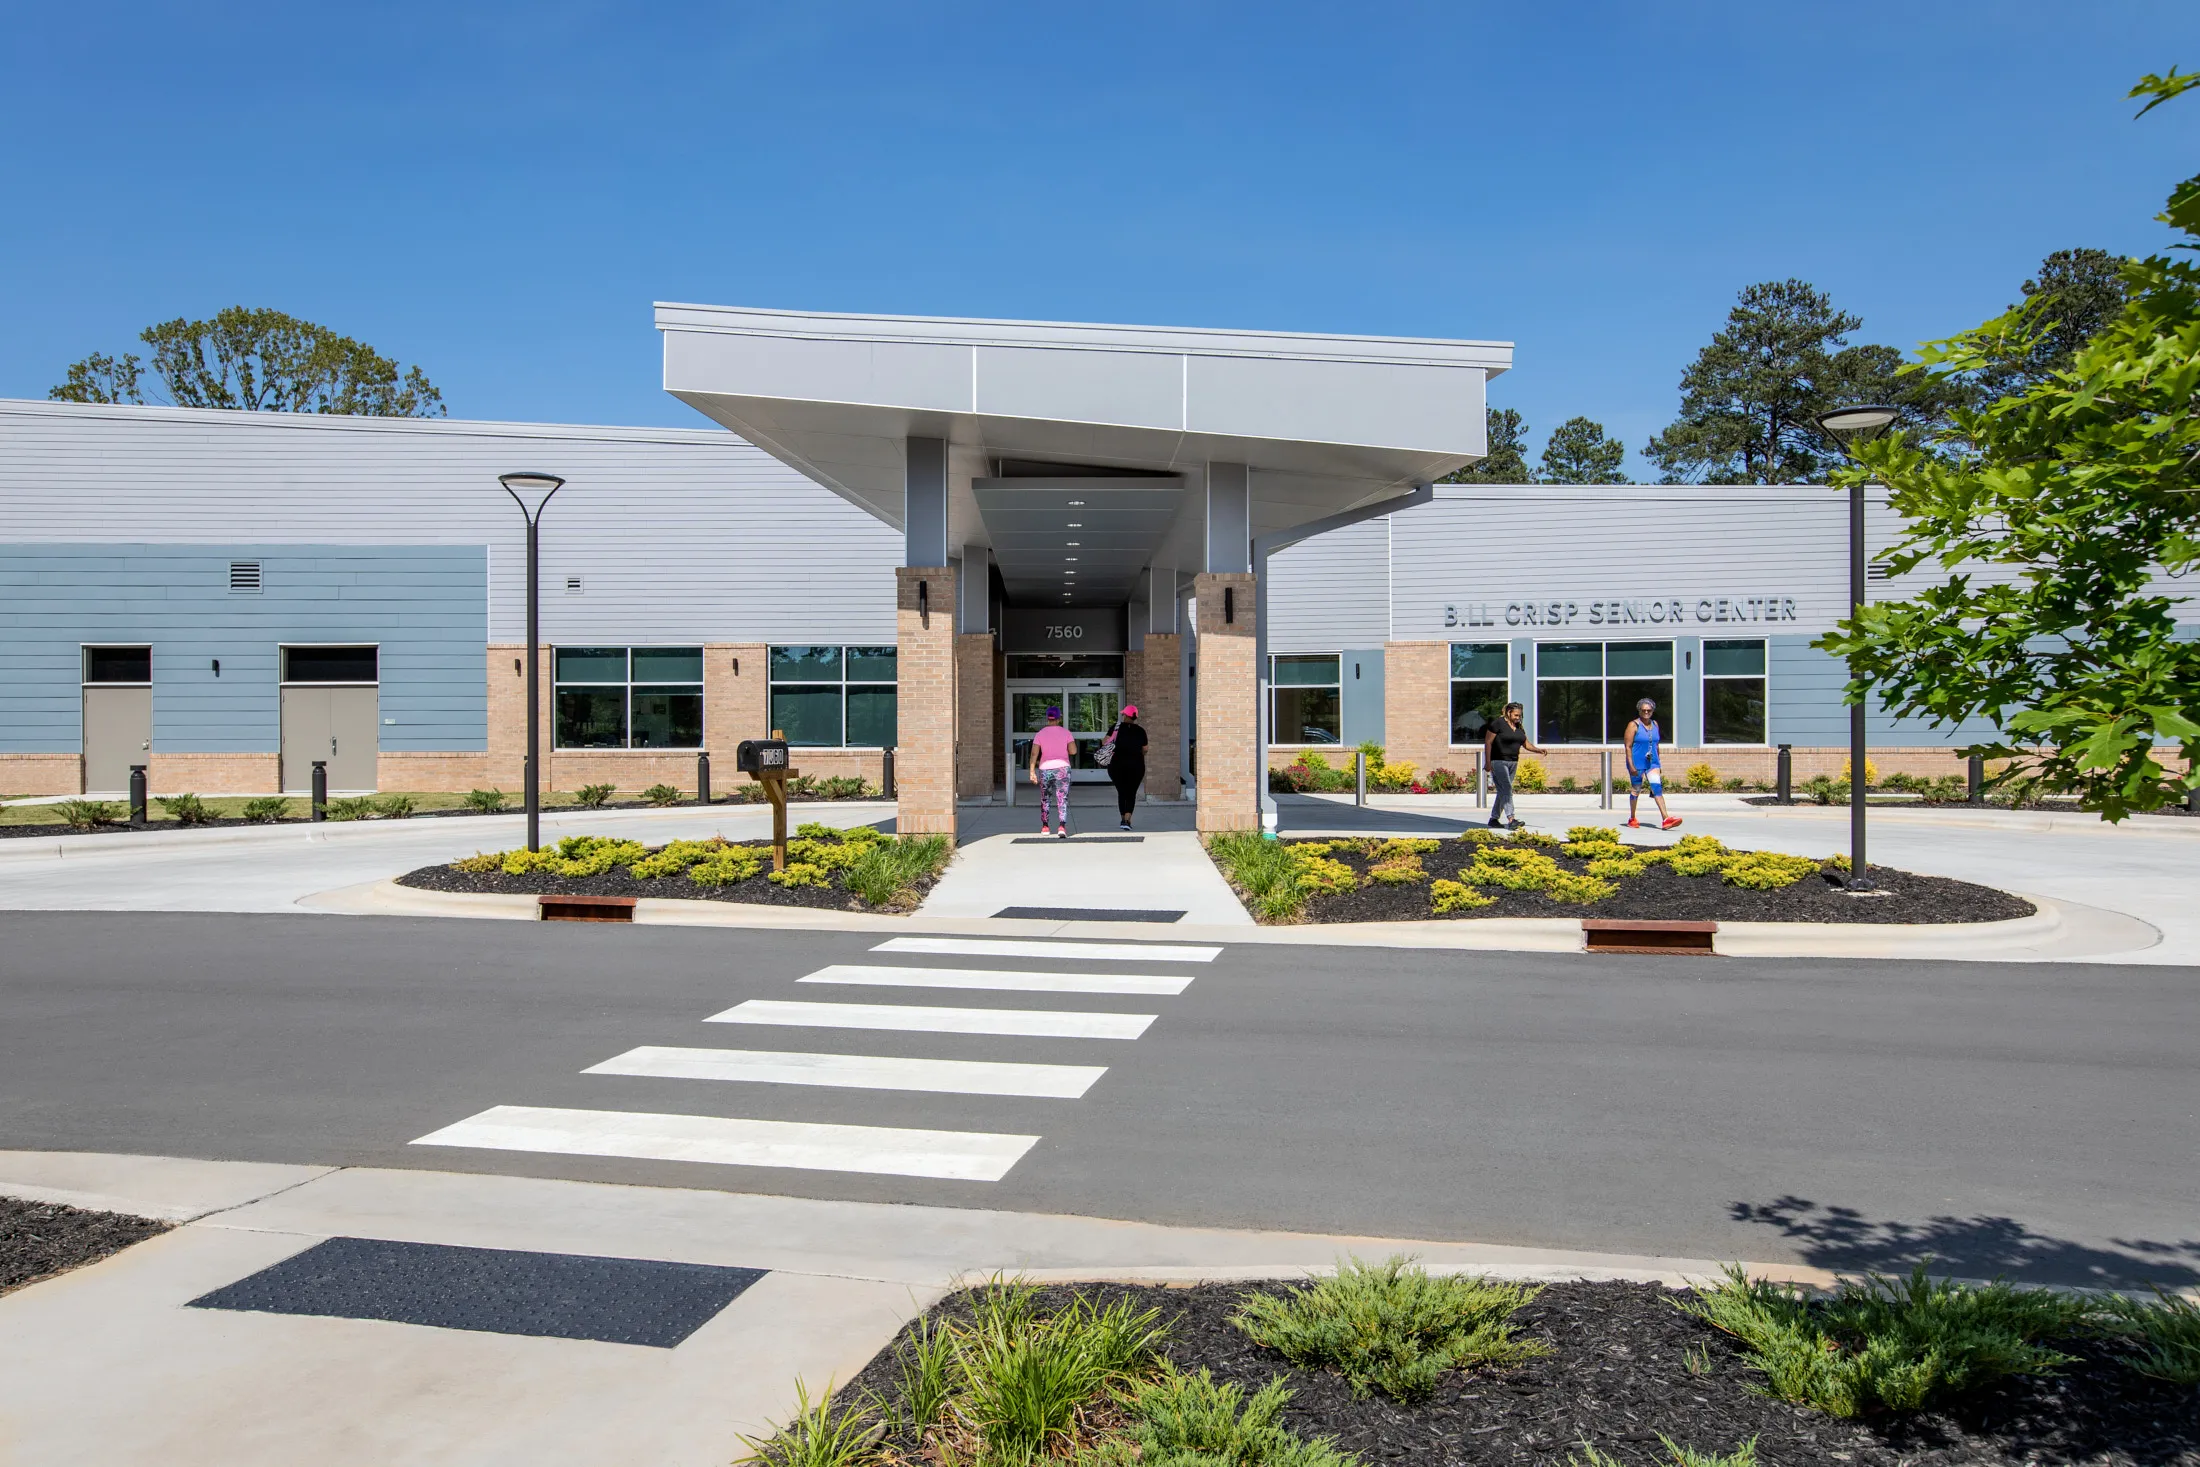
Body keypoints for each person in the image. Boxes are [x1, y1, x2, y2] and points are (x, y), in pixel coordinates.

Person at [1622, 697, 1683, 830]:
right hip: (1637, 763)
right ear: (1639, 711)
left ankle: (1666, 819)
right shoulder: (1633, 725)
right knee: (1636, 790)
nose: (1646, 712)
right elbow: (1628, 746)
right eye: (1643, 710)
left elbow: (1656, 744)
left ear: (1652, 711)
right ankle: (1632, 818)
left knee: (1657, 788)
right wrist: (1631, 765)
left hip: (1652, 763)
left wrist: (1658, 763)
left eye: (1648, 710)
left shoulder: (1655, 724)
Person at [1482, 702, 1543, 830]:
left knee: (1503, 791)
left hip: (1513, 762)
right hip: (1498, 761)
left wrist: (1538, 750)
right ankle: (1511, 819)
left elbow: (1526, 744)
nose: (1518, 717)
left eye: (1519, 715)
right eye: (1515, 715)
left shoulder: (1519, 727)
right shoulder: (1497, 723)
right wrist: (1487, 762)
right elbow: (1488, 743)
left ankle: (1494, 819)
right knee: (1507, 789)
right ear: (1508, 712)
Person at [1027, 705, 1077, 838]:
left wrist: (1032, 771)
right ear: (1059, 718)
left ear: (1047, 718)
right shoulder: (1066, 733)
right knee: (1062, 798)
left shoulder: (1040, 734)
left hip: (1045, 769)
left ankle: (1045, 827)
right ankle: (1062, 826)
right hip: (1063, 768)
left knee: (1045, 798)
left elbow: (1034, 754)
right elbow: (1073, 751)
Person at [1101, 704, 1149, 830]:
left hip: (1117, 766)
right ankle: (1127, 820)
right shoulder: (1141, 731)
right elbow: (1145, 749)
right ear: (1135, 717)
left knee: (1122, 792)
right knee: (1131, 793)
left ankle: (1123, 819)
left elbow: (1104, 742)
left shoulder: (1116, 728)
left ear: (1125, 715)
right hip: (1136, 766)